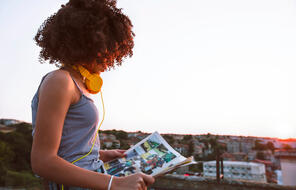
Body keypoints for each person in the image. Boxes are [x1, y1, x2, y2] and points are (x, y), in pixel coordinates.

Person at [30, 0, 155, 189]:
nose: (109, 61)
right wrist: (116, 183)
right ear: (87, 44)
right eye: (106, 52)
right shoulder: (60, 81)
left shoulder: (78, 83)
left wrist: (102, 154)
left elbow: (71, 150)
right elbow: (42, 161)